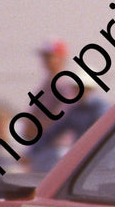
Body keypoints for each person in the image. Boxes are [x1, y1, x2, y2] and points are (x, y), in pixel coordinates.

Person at [27, 39, 107, 172]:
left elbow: (60, 118)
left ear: (61, 58)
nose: (46, 61)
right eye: (45, 56)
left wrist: (38, 128)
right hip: (46, 145)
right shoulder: (48, 84)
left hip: (58, 149)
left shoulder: (63, 86)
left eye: (50, 56)